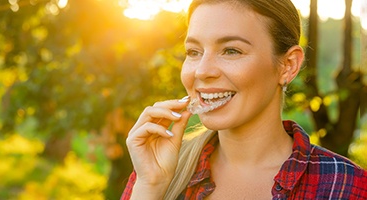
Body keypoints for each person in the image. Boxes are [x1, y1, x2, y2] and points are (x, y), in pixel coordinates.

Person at [121, 0, 367, 199]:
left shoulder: (346, 187)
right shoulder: (156, 174)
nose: (202, 71)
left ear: (287, 66)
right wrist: (150, 187)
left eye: (231, 50)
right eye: (194, 52)